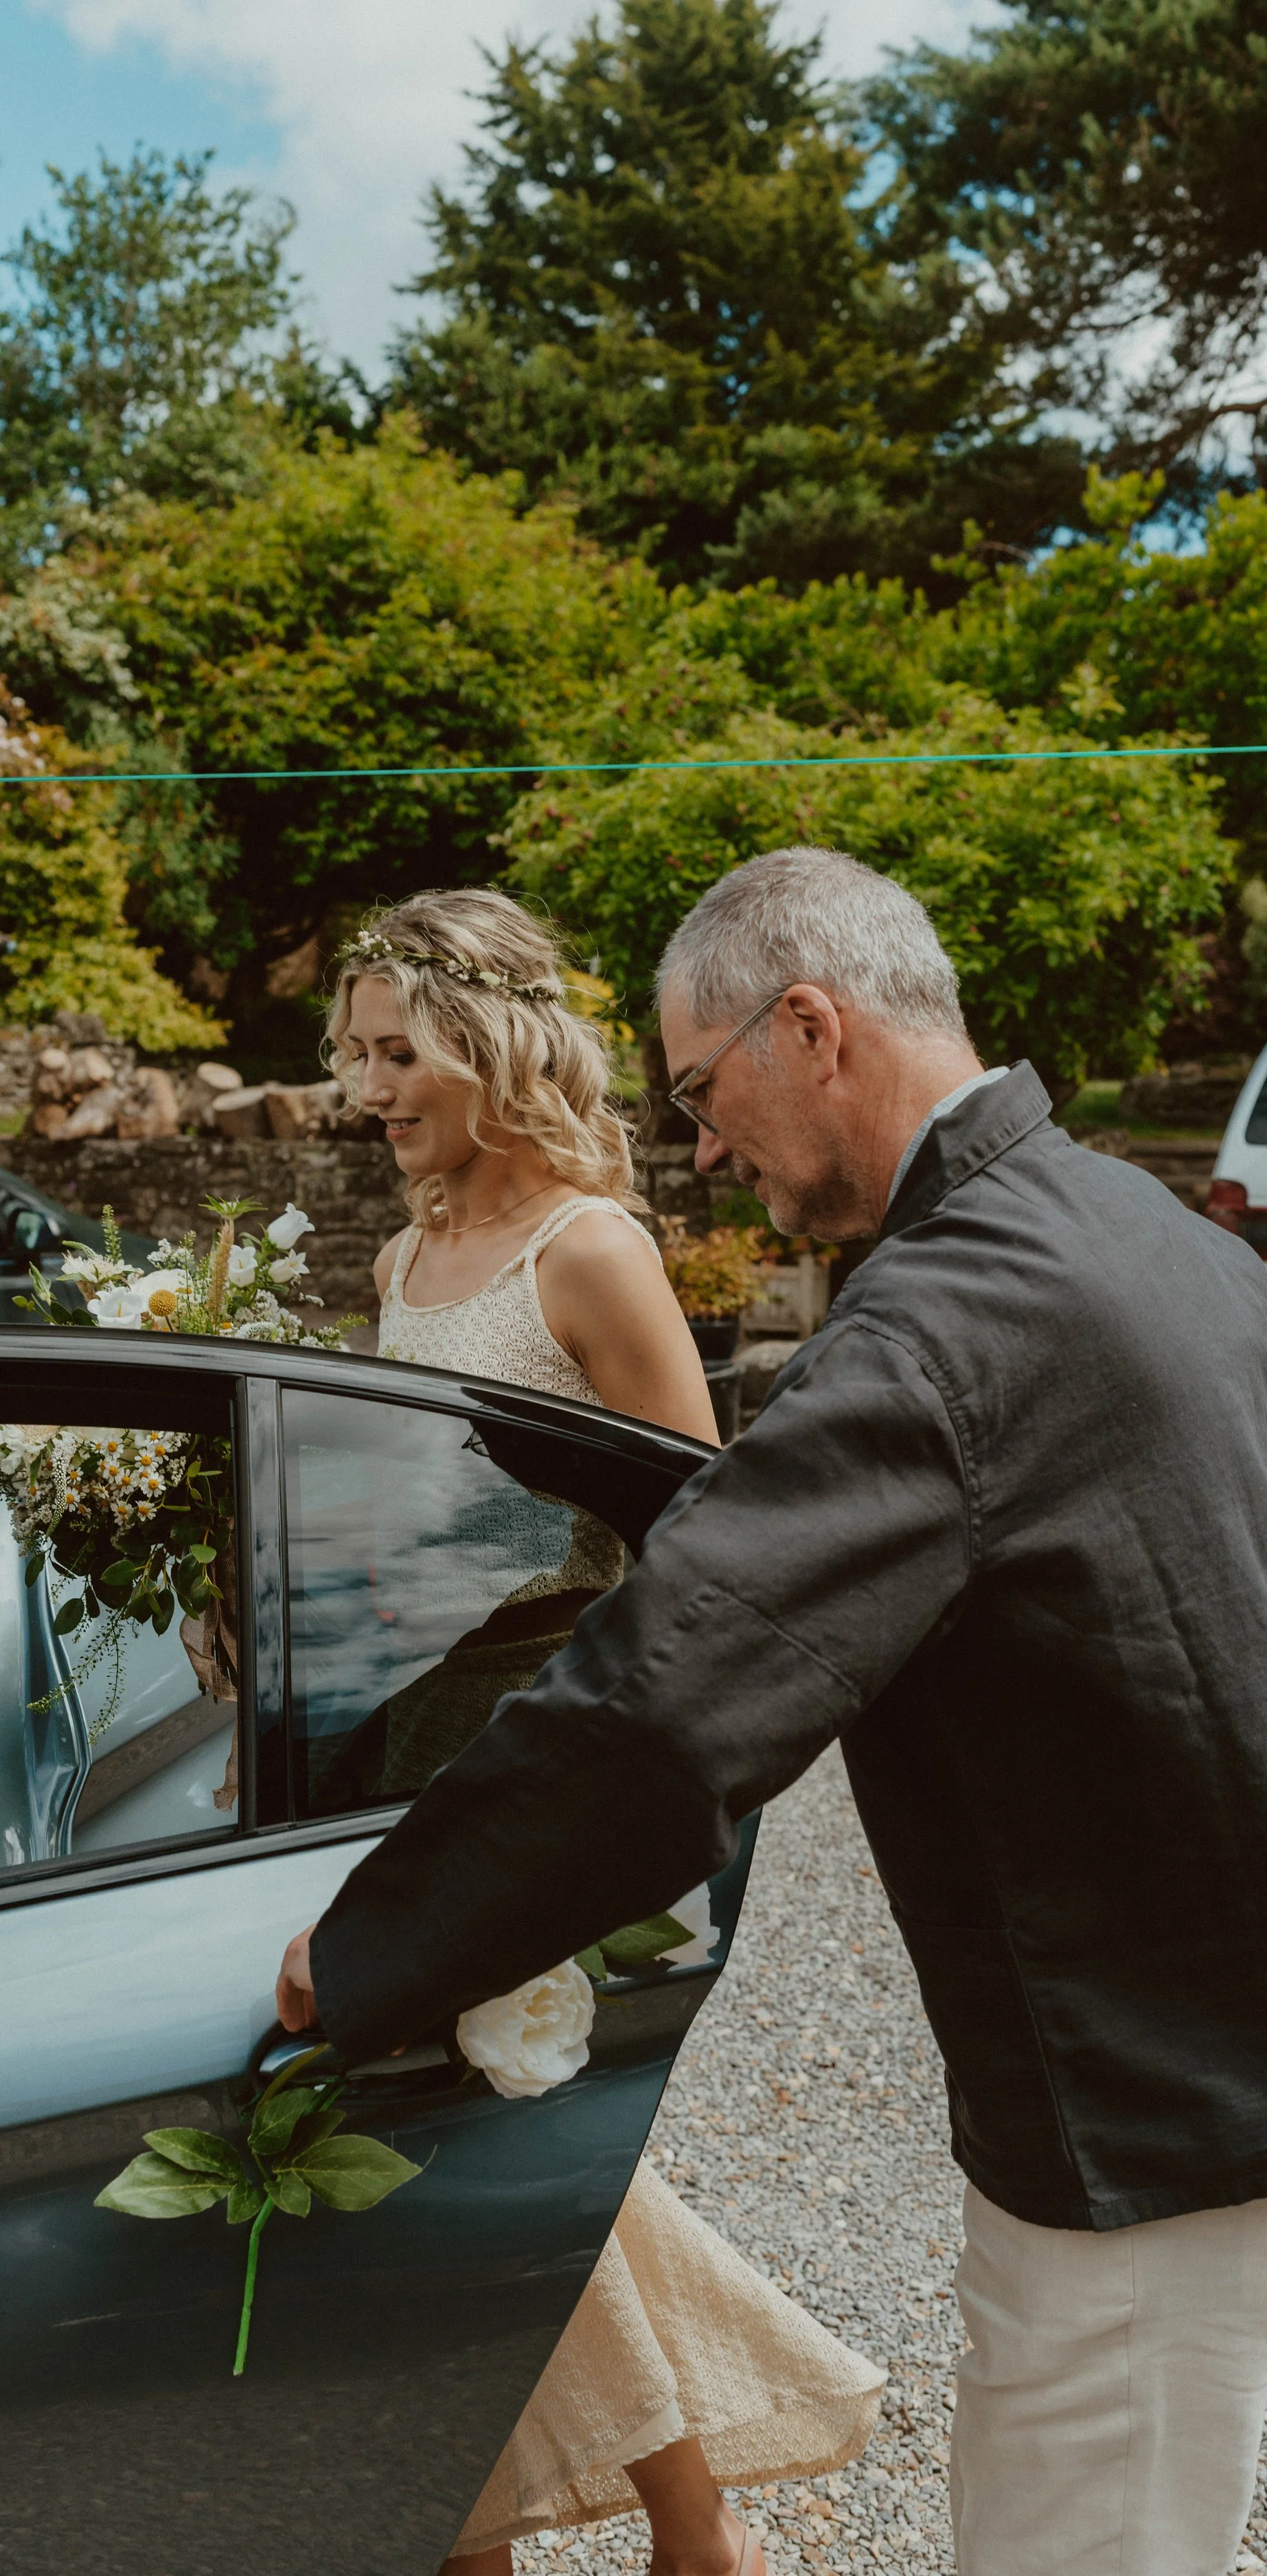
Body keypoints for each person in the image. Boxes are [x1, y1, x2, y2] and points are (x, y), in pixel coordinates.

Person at [280, 846, 1267, 2576]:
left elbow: (672, 1695)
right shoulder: (1150, 1234)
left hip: (1139, 2097)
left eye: (701, 1088)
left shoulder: (941, 1328)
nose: (702, 1147)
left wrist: (364, 1956)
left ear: (807, 1026)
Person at [297, 889, 885, 2576]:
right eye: (352, 1055)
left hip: (535, 1768)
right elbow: (397, 1518)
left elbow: (697, 1548)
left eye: (396, 1051)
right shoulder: (406, 1257)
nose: (366, 1087)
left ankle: (628, 2538)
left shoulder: (591, 1250)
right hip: (393, 1752)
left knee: (493, 2138)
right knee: (472, 2143)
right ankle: (616, 2540)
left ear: (492, 1045)